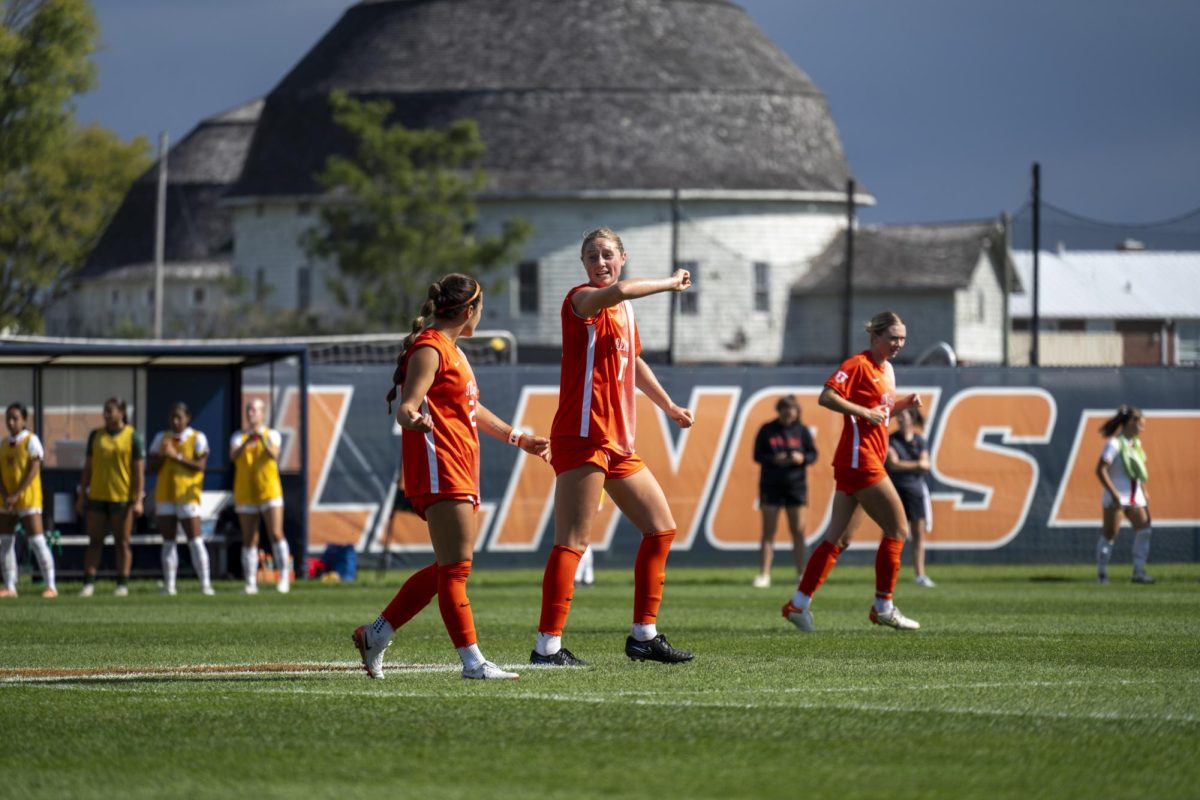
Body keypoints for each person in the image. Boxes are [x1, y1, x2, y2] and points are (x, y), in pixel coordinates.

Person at [353, 273, 550, 681]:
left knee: (450, 567)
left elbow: (471, 410)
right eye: (481, 307)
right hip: (439, 465)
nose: (482, 313)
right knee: (457, 569)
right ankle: (473, 662)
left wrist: (519, 438)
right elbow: (408, 406)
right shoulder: (430, 348)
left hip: (459, 465)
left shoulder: (452, 350)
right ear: (468, 310)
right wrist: (416, 420)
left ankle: (376, 634)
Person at [530, 227, 696, 666]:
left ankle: (644, 636)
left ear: (623, 256)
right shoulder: (581, 299)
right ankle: (546, 647)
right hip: (583, 436)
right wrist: (670, 283)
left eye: (607, 254)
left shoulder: (623, 313)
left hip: (618, 443)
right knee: (572, 541)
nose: (599, 263)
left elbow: (634, 361)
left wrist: (669, 406)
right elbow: (621, 290)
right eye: (591, 256)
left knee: (661, 528)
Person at [781, 311, 923, 632]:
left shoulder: (887, 368)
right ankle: (883, 606)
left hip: (861, 460)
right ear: (875, 338)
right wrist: (861, 411)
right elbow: (827, 397)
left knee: (840, 538)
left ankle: (798, 604)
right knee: (898, 529)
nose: (898, 343)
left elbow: (880, 413)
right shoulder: (858, 364)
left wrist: (903, 405)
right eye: (893, 337)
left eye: (902, 338)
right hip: (860, 460)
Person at [76, 397, 145, 597]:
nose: (106, 414)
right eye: (105, 411)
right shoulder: (96, 436)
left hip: (122, 498)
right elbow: (87, 468)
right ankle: (88, 583)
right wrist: (82, 496)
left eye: (110, 411)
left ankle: (122, 584)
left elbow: (138, 472)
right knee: (95, 541)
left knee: (122, 542)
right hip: (98, 495)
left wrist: (138, 499)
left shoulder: (133, 437)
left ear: (122, 413)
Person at [751, 395, 818, 588]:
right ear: (779, 410)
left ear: (797, 412)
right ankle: (764, 574)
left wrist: (801, 458)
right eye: (785, 409)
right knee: (768, 531)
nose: (788, 413)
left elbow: (813, 454)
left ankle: (801, 573)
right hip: (771, 484)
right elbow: (758, 455)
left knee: (798, 530)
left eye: (792, 409)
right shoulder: (767, 429)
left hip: (796, 486)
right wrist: (775, 459)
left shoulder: (802, 431)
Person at [149, 403, 213, 595]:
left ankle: (205, 584)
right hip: (166, 493)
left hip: (187, 495)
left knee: (195, 539)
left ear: (187, 418)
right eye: (172, 417)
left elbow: (200, 466)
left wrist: (175, 456)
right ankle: (169, 586)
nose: (175, 421)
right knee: (168, 541)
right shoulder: (161, 438)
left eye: (179, 417)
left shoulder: (197, 437)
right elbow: (152, 468)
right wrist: (162, 455)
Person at [230, 398, 290, 594]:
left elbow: (274, 454)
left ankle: (283, 578)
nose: (250, 414)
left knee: (276, 533)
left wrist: (261, 439)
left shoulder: (271, 435)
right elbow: (233, 456)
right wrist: (248, 439)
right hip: (246, 492)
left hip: (269, 490)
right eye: (248, 410)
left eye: (254, 411)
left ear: (263, 414)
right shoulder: (238, 437)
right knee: (249, 538)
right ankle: (250, 583)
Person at [0, 404, 57, 598]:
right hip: (7, 500)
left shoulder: (31, 440)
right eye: (8, 418)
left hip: (28, 499)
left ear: (24, 419)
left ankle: (50, 585)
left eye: (15, 418)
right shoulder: (4, 443)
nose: (11, 422)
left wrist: (17, 493)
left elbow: (34, 469)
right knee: (6, 542)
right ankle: (10, 586)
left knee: (37, 541)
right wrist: (7, 495)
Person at [1094, 405, 1154, 584]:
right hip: (1117, 495)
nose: (1142, 424)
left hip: (1135, 496)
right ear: (1129, 422)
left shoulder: (1136, 443)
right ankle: (1102, 573)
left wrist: (1144, 490)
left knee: (1144, 530)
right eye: (1139, 421)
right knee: (1110, 534)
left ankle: (1138, 571)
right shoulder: (1114, 443)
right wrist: (1114, 494)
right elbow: (1100, 470)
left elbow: (1138, 470)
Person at [886, 406, 935, 588]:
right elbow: (894, 464)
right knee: (891, 533)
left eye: (903, 415)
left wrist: (905, 463)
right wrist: (916, 465)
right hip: (894, 490)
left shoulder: (920, 441)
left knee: (918, 534)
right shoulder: (891, 439)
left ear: (911, 419)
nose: (898, 419)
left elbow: (926, 465)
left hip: (915, 492)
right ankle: (887, 574)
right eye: (898, 416)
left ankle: (920, 575)